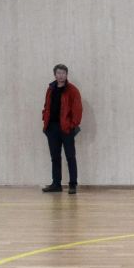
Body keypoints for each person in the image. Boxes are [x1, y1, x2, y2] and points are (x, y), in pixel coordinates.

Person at [41, 64, 82, 195]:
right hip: (51, 128)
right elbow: (47, 106)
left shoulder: (72, 90)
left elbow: (78, 110)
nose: (61, 75)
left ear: (66, 74)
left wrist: (72, 125)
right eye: (58, 73)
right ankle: (56, 184)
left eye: (63, 73)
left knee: (70, 156)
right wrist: (45, 121)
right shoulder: (50, 89)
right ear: (55, 74)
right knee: (55, 157)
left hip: (66, 128)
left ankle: (73, 184)